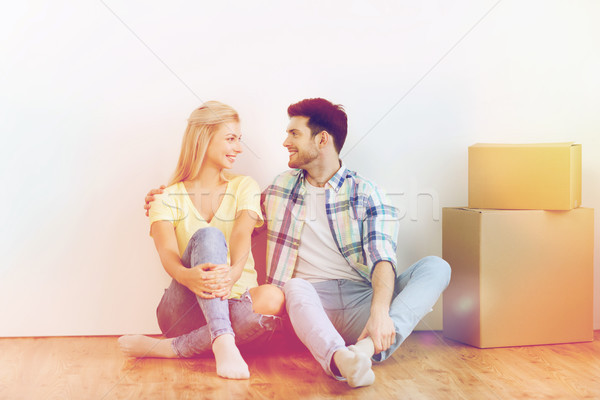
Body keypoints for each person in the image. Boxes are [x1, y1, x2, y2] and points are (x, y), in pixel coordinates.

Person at [145, 98, 451, 388]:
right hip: (310, 302)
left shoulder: (367, 192)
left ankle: (367, 348)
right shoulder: (278, 189)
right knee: (292, 286)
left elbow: (383, 258)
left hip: (363, 300)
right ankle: (337, 358)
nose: (285, 142)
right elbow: (232, 220)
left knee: (436, 267)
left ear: (321, 140)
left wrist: (380, 312)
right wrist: (166, 199)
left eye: (294, 133)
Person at [120, 101, 285, 380]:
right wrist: (187, 276)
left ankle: (173, 348)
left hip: (239, 304)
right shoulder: (166, 197)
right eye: (230, 139)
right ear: (204, 138)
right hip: (185, 310)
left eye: (239, 139)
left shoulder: (244, 186)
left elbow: (242, 232)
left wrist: (232, 276)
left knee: (274, 296)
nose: (239, 148)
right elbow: (167, 254)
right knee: (209, 235)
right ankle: (221, 337)